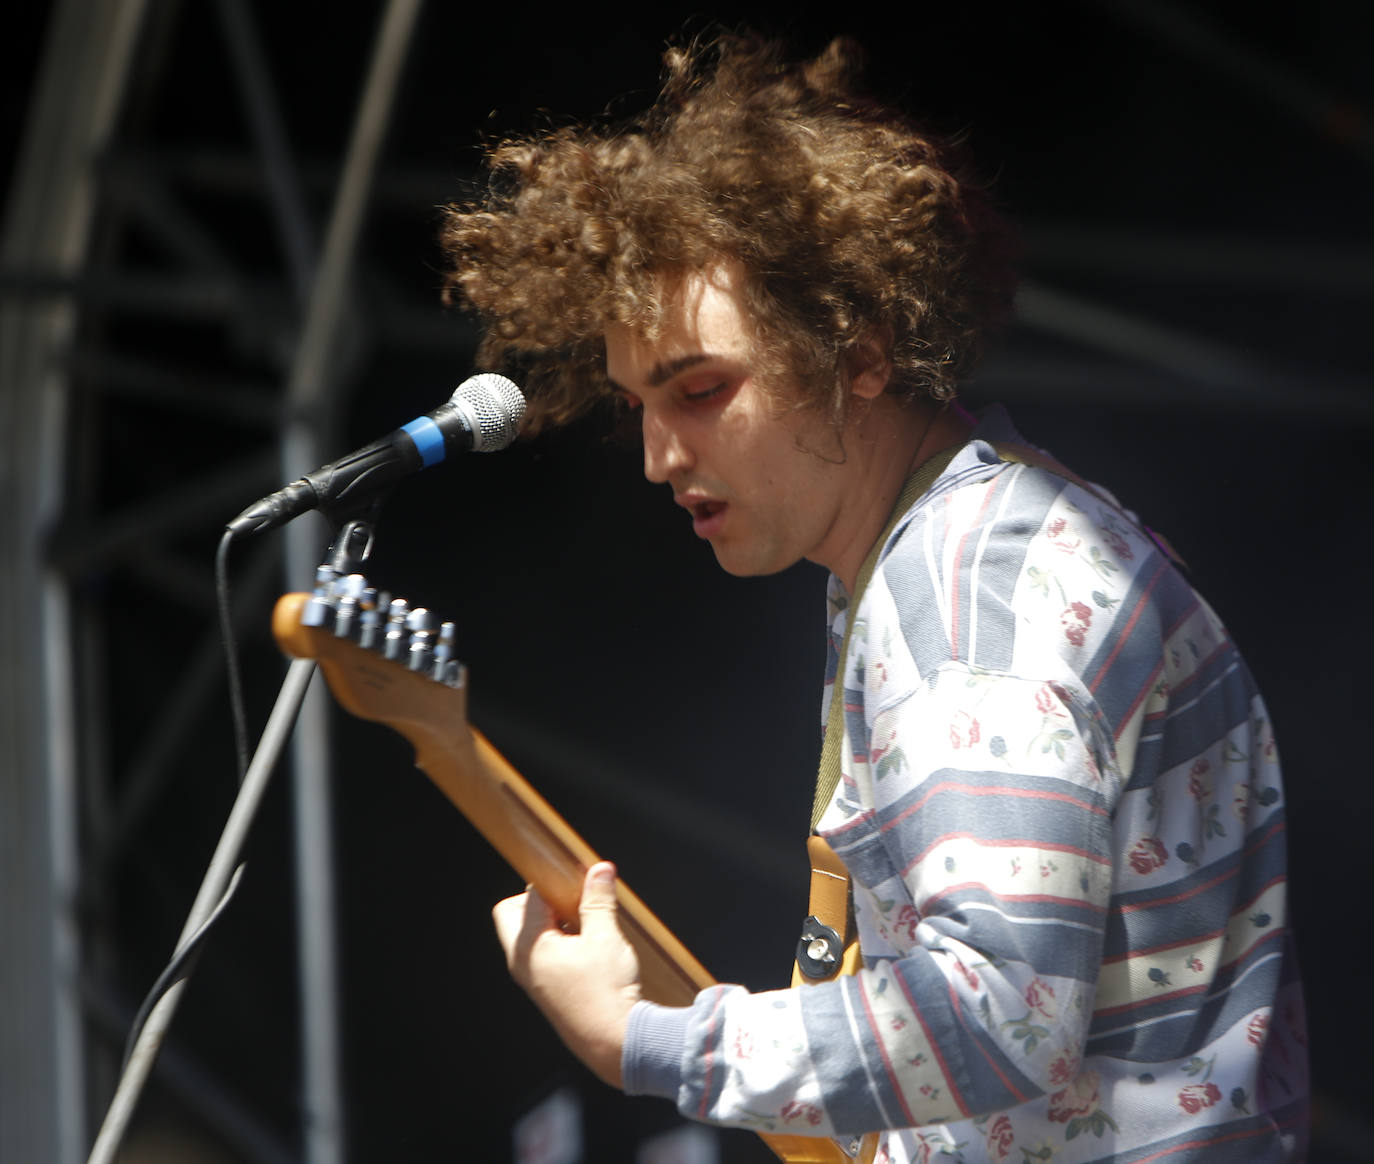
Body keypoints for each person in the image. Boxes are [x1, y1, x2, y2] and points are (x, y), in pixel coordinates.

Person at [440, 33, 1308, 1163]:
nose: (658, 454)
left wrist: (651, 1043)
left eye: (701, 389)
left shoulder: (963, 598)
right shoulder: (980, 535)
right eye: (637, 404)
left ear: (860, 351)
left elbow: (999, 1018)